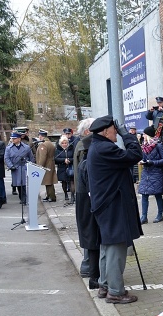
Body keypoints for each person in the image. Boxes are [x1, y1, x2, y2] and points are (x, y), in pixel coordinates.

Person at [87, 115, 143, 304]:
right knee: (116, 248)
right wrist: (128, 136)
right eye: (114, 130)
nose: (116, 133)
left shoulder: (98, 146)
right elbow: (135, 155)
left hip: (106, 204)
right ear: (105, 131)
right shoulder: (105, 148)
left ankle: (104, 285)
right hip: (112, 205)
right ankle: (116, 292)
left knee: (107, 246)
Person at [74, 118, 101, 289]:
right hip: (87, 195)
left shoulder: (82, 145)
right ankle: (91, 272)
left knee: (89, 235)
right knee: (91, 236)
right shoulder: (85, 147)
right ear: (87, 132)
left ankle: (89, 269)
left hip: (83, 192)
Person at [138, 126, 163, 224]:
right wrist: (143, 161)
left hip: (156, 173)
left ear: (148, 135)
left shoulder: (158, 145)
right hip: (146, 172)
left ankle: (160, 215)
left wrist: (152, 162)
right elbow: (143, 157)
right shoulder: (144, 146)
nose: (143, 136)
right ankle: (144, 217)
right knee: (144, 194)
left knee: (158, 194)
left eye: (144, 134)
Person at [4, 132, 34, 205]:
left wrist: (29, 165)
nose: (13, 140)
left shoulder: (26, 147)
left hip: (23, 167)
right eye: (12, 138)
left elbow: (31, 157)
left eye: (15, 138)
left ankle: (24, 199)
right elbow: (6, 158)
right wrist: (11, 166)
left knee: (23, 184)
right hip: (15, 168)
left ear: (19, 139)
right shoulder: (9, 148)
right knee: (18, 184)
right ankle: (21, 197)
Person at [35, 129, 57, 202]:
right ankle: (49, 195)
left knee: (48, 182)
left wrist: (40, 166)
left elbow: (43, 157)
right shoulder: (50, 143)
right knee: (49, 181)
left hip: (46, 165)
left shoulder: (43, 145)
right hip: (50, 164)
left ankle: (51, 196)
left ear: (41, 136)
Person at [54, 135, 74, 203]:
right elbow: (56, 159)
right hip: (62, 168)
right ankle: (65, 194)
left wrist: (69, 160)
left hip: (70, 167)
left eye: (65, 143)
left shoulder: (71, 148)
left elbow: (75, 157)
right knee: (64, 182)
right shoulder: (58, 150)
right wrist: (63, 160)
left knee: (71, 181)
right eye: (63, 143)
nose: (64, 144)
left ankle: (72, 195)